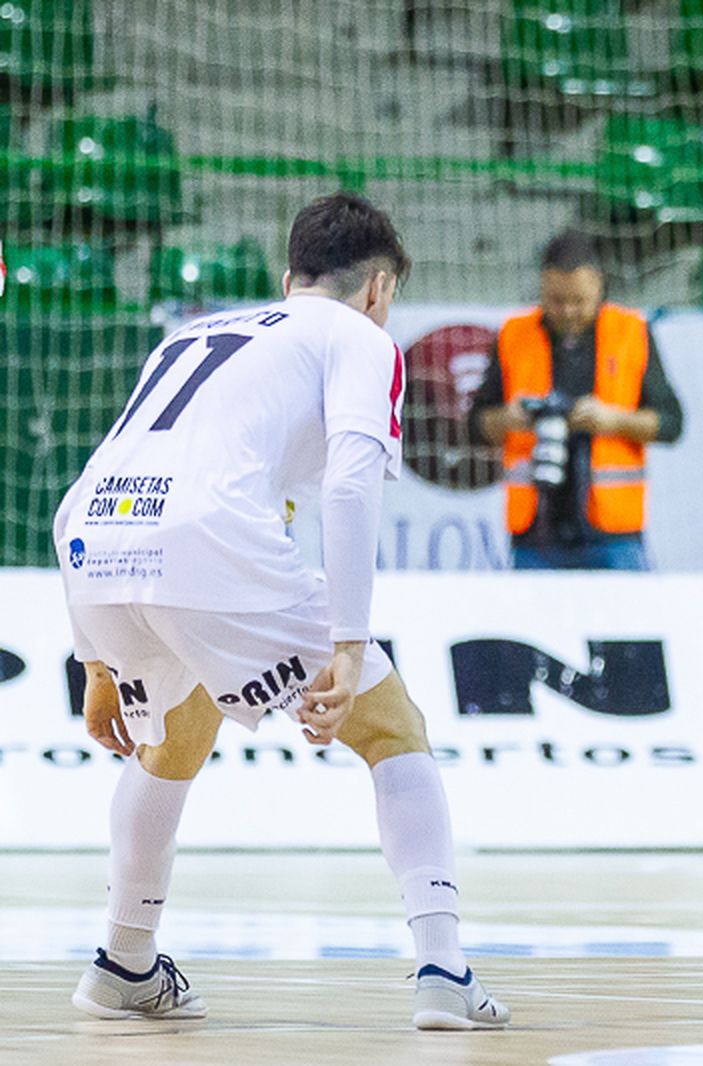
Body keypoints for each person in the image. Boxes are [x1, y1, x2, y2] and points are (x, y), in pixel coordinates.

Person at [54, 192, 509, 1030]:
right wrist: (347, 641)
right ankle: (445, 970)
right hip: (202, 537)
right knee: (391, 728)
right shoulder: (361, 337)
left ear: (287, 275)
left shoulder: (192, 336)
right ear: (379, 288)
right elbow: (350, 486)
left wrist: (95, 661)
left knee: (171, 741)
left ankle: (123, 964)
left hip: (94, 538)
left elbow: (95, 481)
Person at [468, 231, 683, 570]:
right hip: (535, 532)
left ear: (598, 285)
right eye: (556, 300)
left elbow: (672, 422)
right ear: (542, 286)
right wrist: (509, 418)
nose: (568, 311)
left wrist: (613, 421)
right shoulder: (514, 335)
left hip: (614, 534)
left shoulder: (631, 333)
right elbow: (476, 424)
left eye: (579, 301)